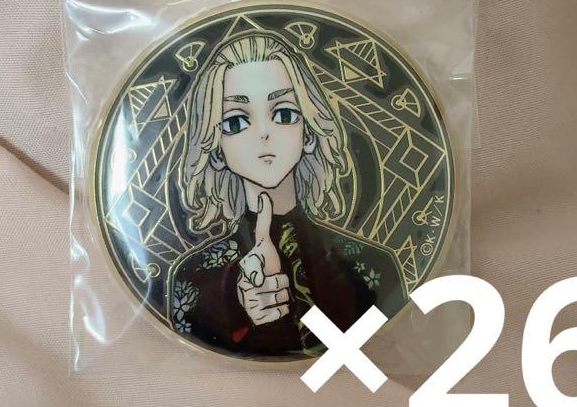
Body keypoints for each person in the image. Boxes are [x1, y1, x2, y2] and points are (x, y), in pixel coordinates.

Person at [166, 31, 407, 358]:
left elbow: (379, 352)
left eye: (283, 114)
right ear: (217, 149)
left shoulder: (372, 266)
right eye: (236, 122)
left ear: (308, 133)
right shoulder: (194, 278)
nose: (264, 133)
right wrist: (242, 314)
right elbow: (200, 364)